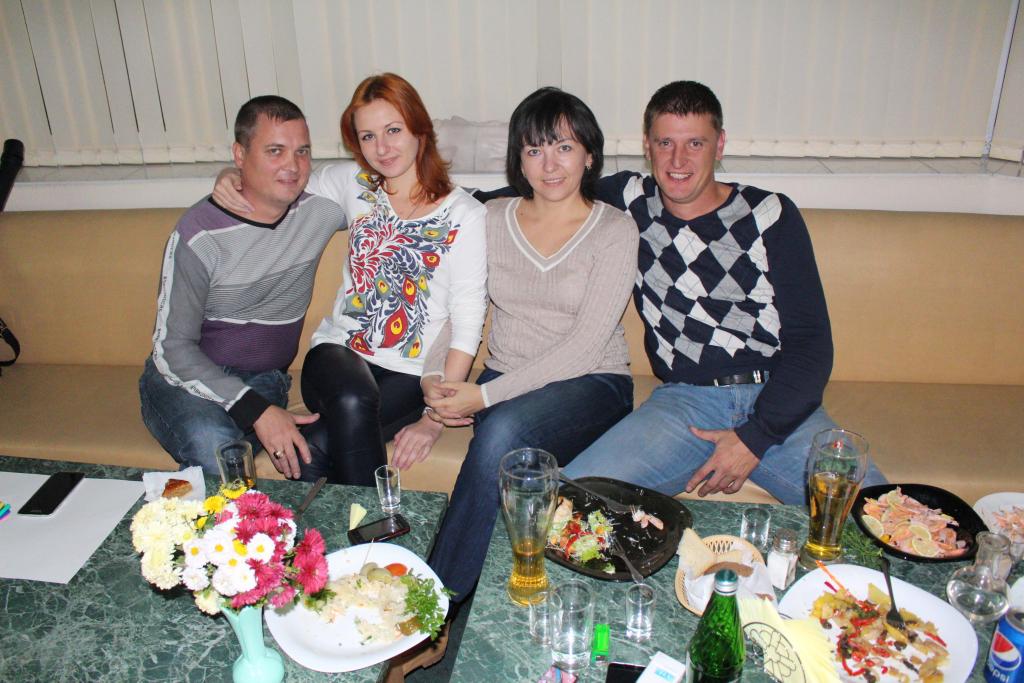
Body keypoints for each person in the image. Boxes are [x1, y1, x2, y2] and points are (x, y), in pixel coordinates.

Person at [560, 81, 887, 504]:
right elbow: (545, 189)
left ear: (720, 145)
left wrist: (754, 438)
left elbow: (812, 345)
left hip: (778, 402)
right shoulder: (629, 199)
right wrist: (469, 202)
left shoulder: (769, 213)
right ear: (647, 146)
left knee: (877, 516)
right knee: (566, 501)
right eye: (665, 142)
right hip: (684, 405)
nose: (678, 160)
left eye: (695, 143)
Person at [213, 73, 487, 485]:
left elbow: (467, 317)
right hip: (338, 357)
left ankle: (333, 525)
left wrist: (435, 415)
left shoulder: (466, 215)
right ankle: (378, 522)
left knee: (310, 454)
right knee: (354, 398)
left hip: (411, 374)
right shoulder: (351, 183)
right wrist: (231, 175)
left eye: (393, 130)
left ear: (419, 129)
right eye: (368, 136)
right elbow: (279, 182)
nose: (382, 148)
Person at [426, 87, 638, 600]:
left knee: (502, 432)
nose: (550, 164)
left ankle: (436, 601)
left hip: (593, 381)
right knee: (506, 440)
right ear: (518, 159)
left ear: (589, 155)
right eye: (535, 149)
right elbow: (457, 307)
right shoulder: (491, 218)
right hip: (507, 379)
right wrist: (434, 378)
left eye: (564, 147)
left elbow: (586, 344)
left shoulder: (615, 229)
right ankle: (495, 599)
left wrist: (483, 397)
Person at [140, 96, 345, 476]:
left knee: (280, 456)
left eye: (302, 151)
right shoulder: (199, 233)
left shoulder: (321, 208)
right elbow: (171, 349)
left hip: (265, 378)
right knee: (216, 447)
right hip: (185, 379)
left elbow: (405, 191)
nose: (293, 166)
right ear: (239, 154)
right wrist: (257, 411)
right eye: (275, 151)